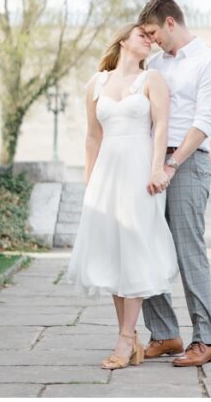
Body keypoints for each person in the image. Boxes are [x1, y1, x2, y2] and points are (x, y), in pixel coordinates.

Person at [67, 23, 179, 370]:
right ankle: (127, 336)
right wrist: (90, 182)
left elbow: (161, 126)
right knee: (114, 254)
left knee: (134, 248)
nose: (149, 40)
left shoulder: (152, 80)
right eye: (142, 35)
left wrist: (157, 169)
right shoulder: (96, 84)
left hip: (138, 172)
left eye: (151, 36)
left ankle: (126, 339)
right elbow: (92, 137)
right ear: (122, 40)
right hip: (106, 175)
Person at [138, 0, 211, 367]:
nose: (152, 39)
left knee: (189, 251)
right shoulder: (154, 64)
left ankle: (205, 340)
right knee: (142, 245)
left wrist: (172, 164)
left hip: (187, 163)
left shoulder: (209, 63)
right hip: (151, 161)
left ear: (171, 22)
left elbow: (205, 123)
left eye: (155, 32)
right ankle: (165, 334)